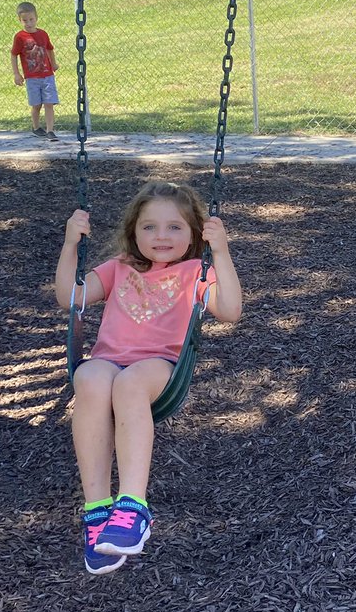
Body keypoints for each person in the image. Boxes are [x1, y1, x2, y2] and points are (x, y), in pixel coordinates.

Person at [55, 181, 243, 575]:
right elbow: (70, 298)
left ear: (194, 234)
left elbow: (229, 310)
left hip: (159, 367)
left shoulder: (196, 271)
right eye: (149, 227)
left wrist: (221, 252)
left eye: (175, 227)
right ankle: (96, 510)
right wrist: (70, 245)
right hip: (110, 362)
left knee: (130, 383)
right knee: (89, 377)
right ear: (133, 231)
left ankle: (132, 507)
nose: (161, 236)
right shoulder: (119, 267)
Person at [11, 1, 59, 141]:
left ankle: (50, 130)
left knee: (49, 103)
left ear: (36, 18)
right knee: (36, 105)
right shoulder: (20, 37)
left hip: (47, 75)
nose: (28, 23)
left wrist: (53, 63)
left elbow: (50, 49)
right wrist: (16, 73)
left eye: (31, 19)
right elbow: (14, 54)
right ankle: (36, 127)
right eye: (25, 20)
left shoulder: (43, 34)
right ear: (20, 20)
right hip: (32, 77)